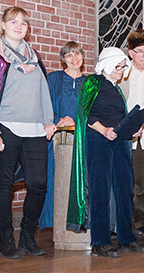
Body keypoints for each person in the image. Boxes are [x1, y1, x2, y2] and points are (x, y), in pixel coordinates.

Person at [0, 6, 56, 259]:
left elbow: (43, 91)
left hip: (35, 130)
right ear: (3, 25)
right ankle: (6, 238)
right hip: (6, 128)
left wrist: (48, 120)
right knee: (4, 185)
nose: (19, 26)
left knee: (39, 185)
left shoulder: (34, 56)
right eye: (14, 22)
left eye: (24, 23)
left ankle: (28, 235)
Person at [66, 47, 144, 258]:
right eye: (118, 66)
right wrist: (104, 130)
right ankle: (100, 241)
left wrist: (132, 128)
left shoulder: (117, 88)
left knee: (124, 188)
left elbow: (120, 116)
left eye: (123, 66)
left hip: (119, 140)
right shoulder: (93, 82)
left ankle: (126, 237)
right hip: (98, 140)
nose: (122, 70)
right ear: (108, 64)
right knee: (99, 190)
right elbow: (84, 113)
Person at [39, 41, 86, 230]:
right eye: (69, 55)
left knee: (77, 180)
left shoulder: (90, 83)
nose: (74, 58)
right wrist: (57, 119)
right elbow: (44, 103)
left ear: (83, 56)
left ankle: (76, 221)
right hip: (55, 138)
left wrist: (75, 122)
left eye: (77, 54)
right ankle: (52, 221)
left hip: (80, 139)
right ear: (63, 60)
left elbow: (92, 111)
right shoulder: (53, 78)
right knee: (52, 178)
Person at [118, 29, 144, 237]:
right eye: (140, 51)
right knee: (121, 180)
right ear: (131, 52)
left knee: (143, 181)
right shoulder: (121, 74)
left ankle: (142, 222)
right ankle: (119, 222)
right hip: (122, 135)